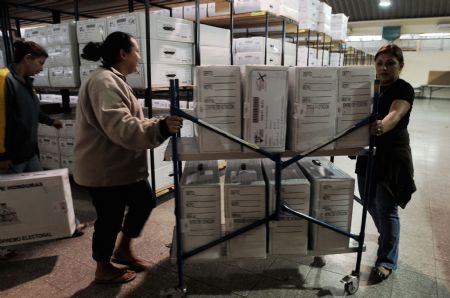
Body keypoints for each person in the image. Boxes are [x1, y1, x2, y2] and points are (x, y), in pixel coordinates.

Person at [74, 31, 182, 284]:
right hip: (104, 169)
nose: (139, 58)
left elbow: (129, 120)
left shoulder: (114, 79)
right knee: (109, 219)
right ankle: (103, 268)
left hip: (121, 166)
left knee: (144, 202)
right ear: (123, 53)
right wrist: (161, 128)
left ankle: (122, 250)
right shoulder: (104, 81)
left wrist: (156, 124)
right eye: (136, 51)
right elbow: (121, 126)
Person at [356, 44, 416, 283]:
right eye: (380, 63)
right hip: (366, 152)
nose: (384, 68)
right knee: (368, 200)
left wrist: (384, 124)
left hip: (391, 156)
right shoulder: (370, 86)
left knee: (386, 208)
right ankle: (387, 238)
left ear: (400, 65)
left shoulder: (404, 88)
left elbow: (397, 112)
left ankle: (386, 261)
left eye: (390, 63)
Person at [0, 40, 65, 260]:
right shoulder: (3, 79)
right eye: (39, 62)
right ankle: (3, 245)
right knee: (6, 204)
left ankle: (65, 225)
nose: (41, 68)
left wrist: (49, 121)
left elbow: (32, 110)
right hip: (10, 156)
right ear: (27, 58)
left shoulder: (26, 82)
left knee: (45, 189)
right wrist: (2, 155)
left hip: (28, 151)